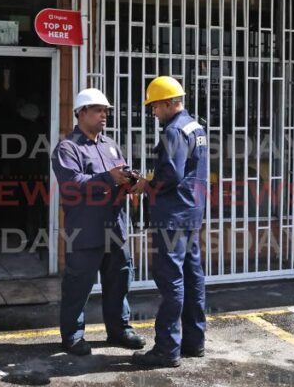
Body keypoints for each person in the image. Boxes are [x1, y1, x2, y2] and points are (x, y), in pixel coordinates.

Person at [51, 88, 145, 356]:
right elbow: (71, 183)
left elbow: (121, 173)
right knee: (78, 284)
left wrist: (131, 181)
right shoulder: (68, 148)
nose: (104, 115)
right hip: (86, 229)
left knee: (119, 281)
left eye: (105, 111)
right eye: (97, 110)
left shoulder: (111, 144)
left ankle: (119, 330)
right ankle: (72, 335)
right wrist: (108, 178)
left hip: (115, 228)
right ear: (80, 113)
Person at [131, 76, 209, 368]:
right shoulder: (195, 126)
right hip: (190, 213)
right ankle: (194, 342)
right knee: (192, 277)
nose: (152, 112)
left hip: (172, 217)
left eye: (154, 106)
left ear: (167, 103)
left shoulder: (174, 131)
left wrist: (145, 186)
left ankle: (166, 349)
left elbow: (172, 176)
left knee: (171, 280)